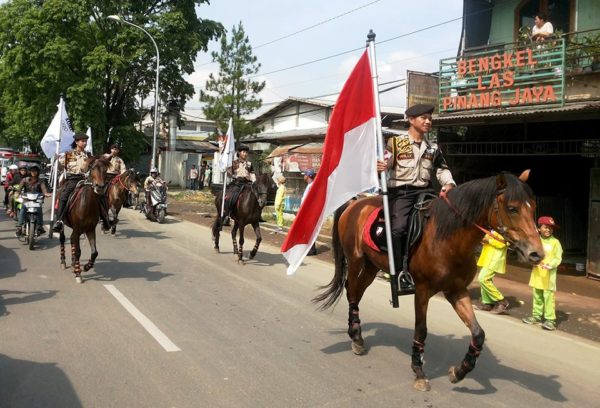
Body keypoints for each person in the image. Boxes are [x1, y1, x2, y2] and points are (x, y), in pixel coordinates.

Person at [376, 103, 456, 294]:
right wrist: (382, 165)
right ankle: (397, 271)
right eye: (424, 118)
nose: (428, 121)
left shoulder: (433, 147)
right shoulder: (395, 142)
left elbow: (442, 169)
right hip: (401, 193)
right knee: (399, 229)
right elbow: (386, 161)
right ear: (411, 120)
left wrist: (449, 183)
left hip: (425, 192)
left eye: (430, 118)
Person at [53, 132, 111, 233]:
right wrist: (56, 160)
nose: (84, 143)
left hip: (85, 180)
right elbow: (61, 166)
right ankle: (59, 220)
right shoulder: (68, 155)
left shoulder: (88, 155)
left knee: (100, 195)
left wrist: (105, 157)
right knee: (63, 196)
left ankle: (105, 219)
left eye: (86, 141)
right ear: (76, 142)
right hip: (72, 180)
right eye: (82, 141)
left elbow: (98, 163)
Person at [523, 216, 563, 331]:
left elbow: (558, 257)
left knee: (548, 297)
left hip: (548, 275)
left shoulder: (555, 242)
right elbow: (531, 254)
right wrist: (532, 262)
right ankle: (536, 316)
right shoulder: (536, 241)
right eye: (546, 227)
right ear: (539, 228)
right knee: (537, 295)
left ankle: (550, 320)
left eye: (551, 228)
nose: (548, 230)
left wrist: (550, 265)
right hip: (537, 274)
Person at [476, 229, 509, 313]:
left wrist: (489, 241)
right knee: (486, 280)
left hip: (494, 260)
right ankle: (488, 303)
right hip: (487, 258)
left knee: (482, 279)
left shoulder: (503, 229)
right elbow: (487, 240)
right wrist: (484, 241)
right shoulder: (492, 229)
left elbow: (504, 243)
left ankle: (501, 301)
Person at [16, 164, 51, 237]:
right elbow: (19, 189)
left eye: (35, 171)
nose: (33, 172)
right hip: (26, 200)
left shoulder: (40, 181)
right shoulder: (25, 180)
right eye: (32, 171)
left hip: (36, 201)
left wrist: (46, 194)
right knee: (23, 209)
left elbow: (44, 189)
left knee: (39, 210)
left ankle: (40, 227)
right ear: (30, 172)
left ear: (38, 172)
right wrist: (17, 193)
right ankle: (19, 227)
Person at [223, 144, 255, 220]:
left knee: (257, 197)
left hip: (247, 184)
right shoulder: (234, 163)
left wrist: (254, 181)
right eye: (243, 152)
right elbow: (229, 173)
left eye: (246, 152)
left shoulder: (249, 164)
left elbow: (252, 174)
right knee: (231, 197)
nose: (245, 154)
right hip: (237, 184)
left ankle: (256, 215)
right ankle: (228, 213)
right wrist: (229, 172)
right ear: (239, 153)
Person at [301, 168, 318, 255]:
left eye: (305, 175)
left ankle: (312, 249)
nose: (304, 176)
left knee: (310, 230)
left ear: (308, 176)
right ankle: (310, 248)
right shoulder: (310, 185)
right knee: (308, 230)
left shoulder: (312, 186)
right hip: (306, 212)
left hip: (309, 212)